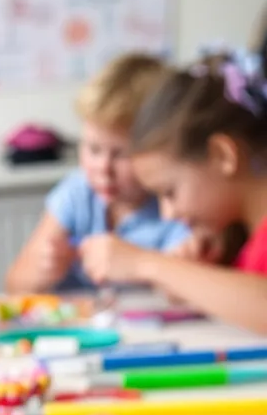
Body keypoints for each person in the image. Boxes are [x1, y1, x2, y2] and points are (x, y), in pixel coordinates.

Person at [78, 51, 267, 333]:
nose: (168, 213)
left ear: (222, 156)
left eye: (169, 192)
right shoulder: (247, 240)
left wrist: (147, 264)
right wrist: (194, 278)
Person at [5, 53, 191, 293]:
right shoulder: (77, 192)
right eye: (93, 149)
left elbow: (184, 294)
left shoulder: (175, 210)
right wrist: (42, 269)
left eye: (121, 154)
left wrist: (143, 265)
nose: (103, 168)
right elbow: (13, 284)